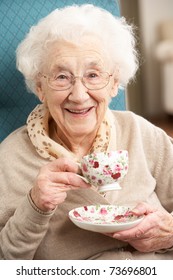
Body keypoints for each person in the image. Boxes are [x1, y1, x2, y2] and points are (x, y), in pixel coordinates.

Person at [0, 4, 173, 260]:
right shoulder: (10, 159)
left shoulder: (141, 133)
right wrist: (35, 206)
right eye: (61, 77)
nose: (79, 96)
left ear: (114, 83)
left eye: (93, 75)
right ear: (39, 87)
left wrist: (169, 233)